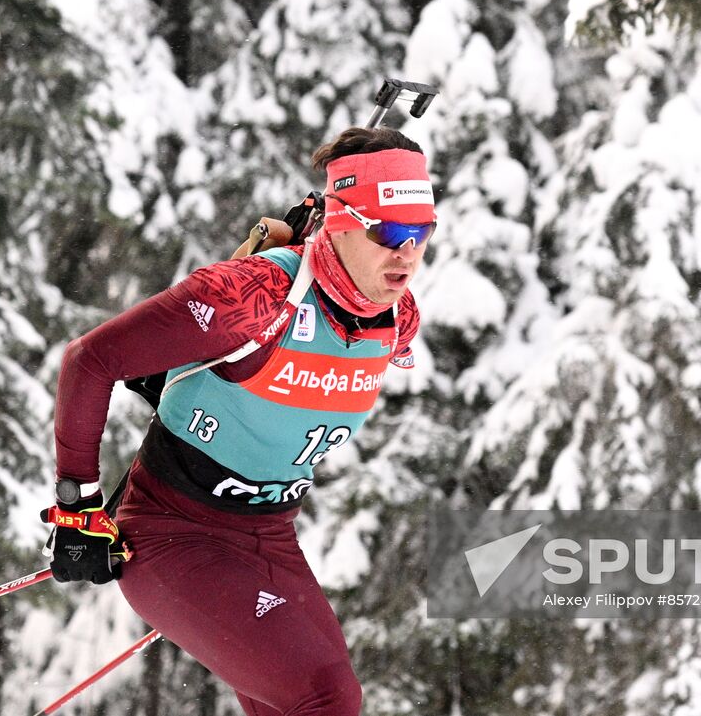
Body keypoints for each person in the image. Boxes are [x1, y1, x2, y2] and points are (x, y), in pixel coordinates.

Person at [43, 126, 436, 716]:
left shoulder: (396, 316)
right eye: (390, 231)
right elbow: (88, 361)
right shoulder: (253, 295)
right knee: (327, 699)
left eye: (423, 232)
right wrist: (78, 508)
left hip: (270, 536)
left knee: (300, 705)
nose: (407, 253)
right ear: (342, 220)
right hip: (172, 533)